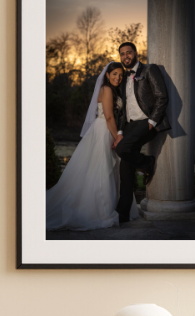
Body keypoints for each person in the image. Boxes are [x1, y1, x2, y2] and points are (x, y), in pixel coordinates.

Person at [45, 62, 138, 233]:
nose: (117, 77)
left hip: (105, 129)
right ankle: (100, 210)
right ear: (107, 75)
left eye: (120, 75)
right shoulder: (107, 89)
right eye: (114, 74)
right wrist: (117, 136)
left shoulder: (113, 89)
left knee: (106, 169)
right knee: (101, 168)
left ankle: (112, 206)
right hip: (105, 130)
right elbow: (109, 117)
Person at [115, 41, 169, 222]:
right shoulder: (123, 78)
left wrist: (152, 121)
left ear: (136, 53)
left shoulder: (149, 70)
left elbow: (162, 95)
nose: (125, 56)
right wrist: (121, 131)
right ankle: (122, 214)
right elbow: (123, 109)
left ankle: (147, 162)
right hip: (130, 125)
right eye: (122, 54)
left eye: (128, 52)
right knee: (125, 169)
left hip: (147, 122)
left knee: (122, 150)